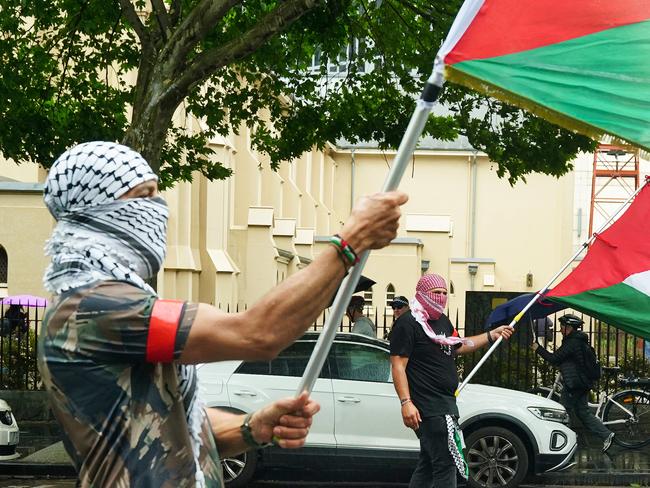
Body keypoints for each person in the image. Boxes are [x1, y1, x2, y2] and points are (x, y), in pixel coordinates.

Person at [37, 141, 407, 487]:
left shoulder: (112, 302)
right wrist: (349, 242)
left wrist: (252, 427)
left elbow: (174, 425)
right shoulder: (93, 310)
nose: (158, 207)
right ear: (95, 211)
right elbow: (257, 334)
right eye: (143, 196)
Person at [390, 273, 514, 488]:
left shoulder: (442, 321)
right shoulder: (407, 324)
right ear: (421, 294)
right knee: (445, 463)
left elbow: (460, 345)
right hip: (428, 407)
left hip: (445, 404)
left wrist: (491, 335)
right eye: (436, 293)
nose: (441, 297)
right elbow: (398, 365)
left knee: (429, 463)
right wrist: (406, 402)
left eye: (445, 293)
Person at [532, 314, 615, 452]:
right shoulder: (578, 340)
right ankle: (607, 435)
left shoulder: (572, 342)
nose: (560, 329)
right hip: (581, 383)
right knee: (583, 412)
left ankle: (561, 441)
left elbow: (554, 358)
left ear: (569, 327)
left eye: (562, 327)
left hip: (574, 384)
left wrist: (538, 348)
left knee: (562, 411)